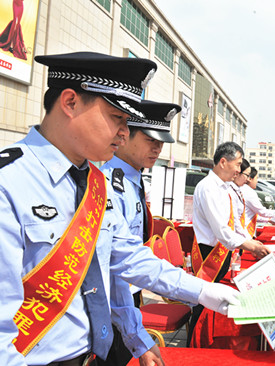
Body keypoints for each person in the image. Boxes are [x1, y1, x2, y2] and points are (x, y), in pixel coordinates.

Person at [0, 51, 239, 366]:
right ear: (70, 103)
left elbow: (129, 259)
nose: (125, 133)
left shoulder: (94, 184)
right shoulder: (10, 182)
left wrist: (204, 292)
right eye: (118, 118)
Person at [99, 100, 181, 365]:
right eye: (150, 140)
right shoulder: (110, 183)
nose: (157, 148)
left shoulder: (134, 179)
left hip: (130, 293)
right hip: (112, 298)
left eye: (161, 143)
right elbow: (116, 263)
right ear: (125, 136)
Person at [189, 142, 271, 344]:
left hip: (222, 250)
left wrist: (251, 241)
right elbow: (222, 230)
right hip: (208, 252)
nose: (239, 170)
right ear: (223, 162)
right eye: (238, 164)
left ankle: (207, 344)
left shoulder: (224, 188)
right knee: (203, 303)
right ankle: (193, 346)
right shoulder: (208, 188)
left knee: (213, 302)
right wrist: (251, 246)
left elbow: (234, 223)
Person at [242, 166, 275, 235]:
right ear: (250, 178)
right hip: (244, 232)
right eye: (256, 178)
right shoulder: (249, 192)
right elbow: (262, 212)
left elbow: (251, 214)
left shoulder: (243, 190)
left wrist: (268, 220)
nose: (257, 181)